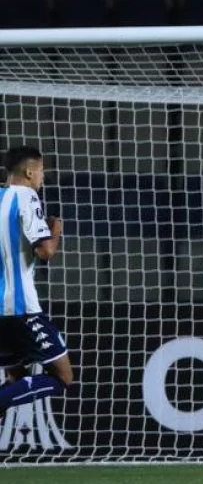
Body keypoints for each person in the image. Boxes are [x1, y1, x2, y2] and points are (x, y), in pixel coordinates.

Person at [0, 146, 72, 419]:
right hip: (21, 309)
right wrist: (55, 229)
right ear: (30, 172)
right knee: (63, 377)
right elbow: (45, 251)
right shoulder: (27, 196)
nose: (43, 176)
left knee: (16, 381)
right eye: (41, 170)